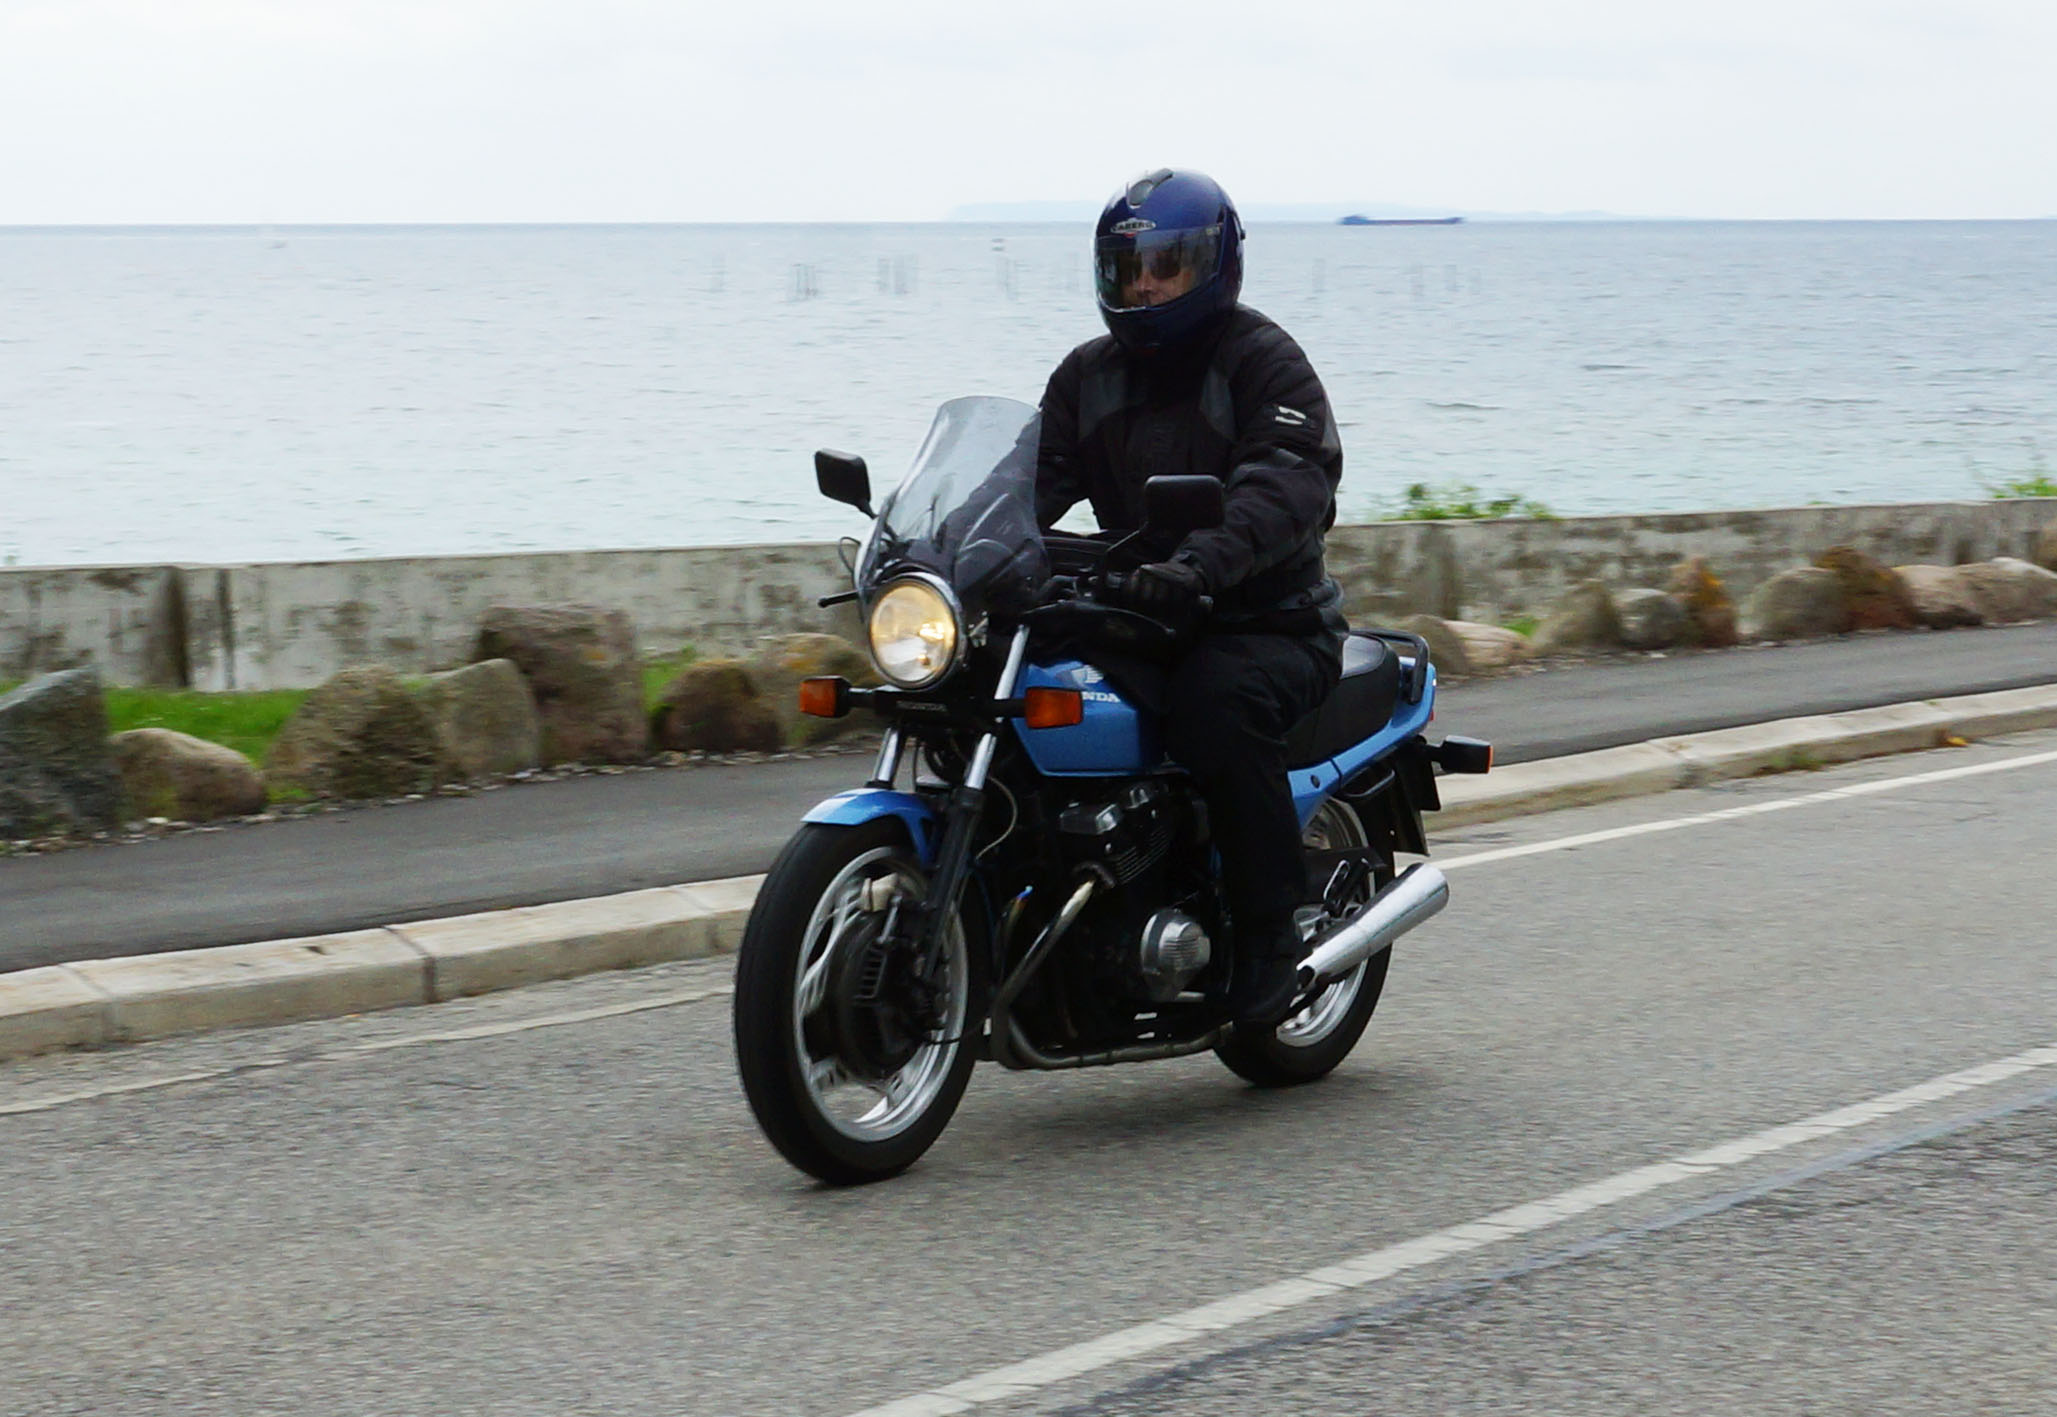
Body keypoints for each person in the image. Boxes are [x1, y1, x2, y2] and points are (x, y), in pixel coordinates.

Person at [1034, 168, 1347, 1031]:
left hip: (1266, 622)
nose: (1144, 286)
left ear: (1214, 265)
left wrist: (1199, 565)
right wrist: (941, 543)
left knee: (1215, 703)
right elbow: (1025, 484)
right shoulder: (1085, 376)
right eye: (1127, 267)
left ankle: (1269, 936)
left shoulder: (1262, 361)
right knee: (1007, 683)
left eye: (1164, 266)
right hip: (1141, 614)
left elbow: (1283, 486)